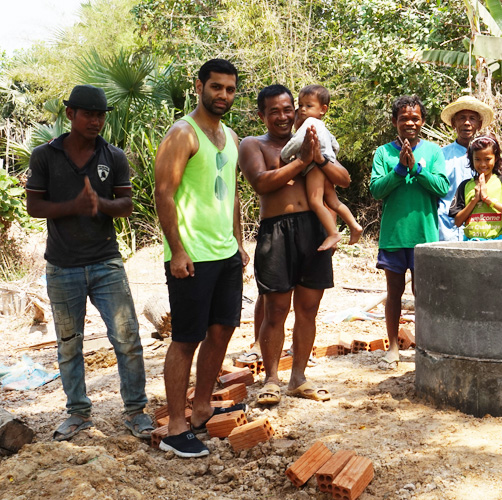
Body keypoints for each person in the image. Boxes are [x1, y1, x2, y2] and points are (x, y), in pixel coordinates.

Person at [25, 84, 152, 442]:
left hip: (106, 262)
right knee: (69, 343)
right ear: (70, 114)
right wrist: (74, 206)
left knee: (127, 338)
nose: (95, 121)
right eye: (88, 114)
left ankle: (135, 412)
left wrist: (100, 203)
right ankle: (78, 413)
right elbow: (34, 207)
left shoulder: (113, 156)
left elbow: (125, 205)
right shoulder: (45, 156)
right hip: (62, 266)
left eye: (100, 115)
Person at [154, 59, 249, 457]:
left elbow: (232, 195)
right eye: (216, 87)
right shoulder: (182, 133)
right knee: (186, 339)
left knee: (222, 330)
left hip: (225, 254)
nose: (223, 95)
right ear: (199, 86)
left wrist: (240, 242)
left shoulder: (231, 135)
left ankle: (202, 408)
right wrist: (177, 250)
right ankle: (176, 429)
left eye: (229, 89)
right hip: (191, 257)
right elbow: (164, 192)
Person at [239, 84, 352, 406]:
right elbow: (261, 182)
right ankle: (271, 379)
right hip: (276, 232)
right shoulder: (253, 145)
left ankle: (298, 377)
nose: (284, 116)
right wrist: (302, 161)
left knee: (308, 311)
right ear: (261, 115)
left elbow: (343, 179)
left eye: (289, 109)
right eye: (274, 111)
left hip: (313, 230)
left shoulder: (312, 138)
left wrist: (316, 157)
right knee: (275, 311)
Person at [369, 95, 449, 369]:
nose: (410, 123)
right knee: (394, 292)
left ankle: (425, 346)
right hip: (394, 235)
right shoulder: (383, 153)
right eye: (404, 118)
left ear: (423, 121)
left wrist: (416, 167)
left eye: (415, 118)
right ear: (395, 122)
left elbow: (441, 188)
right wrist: (400, 169)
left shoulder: (433, 152)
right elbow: (377, 189)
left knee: (423, 294)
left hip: (425, 236)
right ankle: (392, 347)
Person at [280, 84, 363, 250]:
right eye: (301, 105)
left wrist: (284, 156)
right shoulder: (322, 125)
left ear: (323, 109)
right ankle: (354, 225)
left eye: (308, 106)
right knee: (333, 200)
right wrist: (330, 156)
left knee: (315, 201)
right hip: (327, 163)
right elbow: (335, 145)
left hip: (315, 167)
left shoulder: (309, 123)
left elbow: (295, 142)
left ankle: (333, 233)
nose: (303, 110)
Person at [438, 95, 494, 241]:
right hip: (446, 228)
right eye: (462, 118)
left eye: (472, 118)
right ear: (453, 123)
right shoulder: (442, 156)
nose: (467, 123)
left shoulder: (489, 157)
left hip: (479, 228)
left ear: (479, 124)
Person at [449, 134, 502, 239]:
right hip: (470, 245)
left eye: (487, 159)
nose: (482, 164)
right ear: (471, 159)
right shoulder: (465, 185)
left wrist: (488, 200)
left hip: (496, 244)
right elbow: (458, 222)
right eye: (477, 159)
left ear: (495, 159)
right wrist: (475, 199)